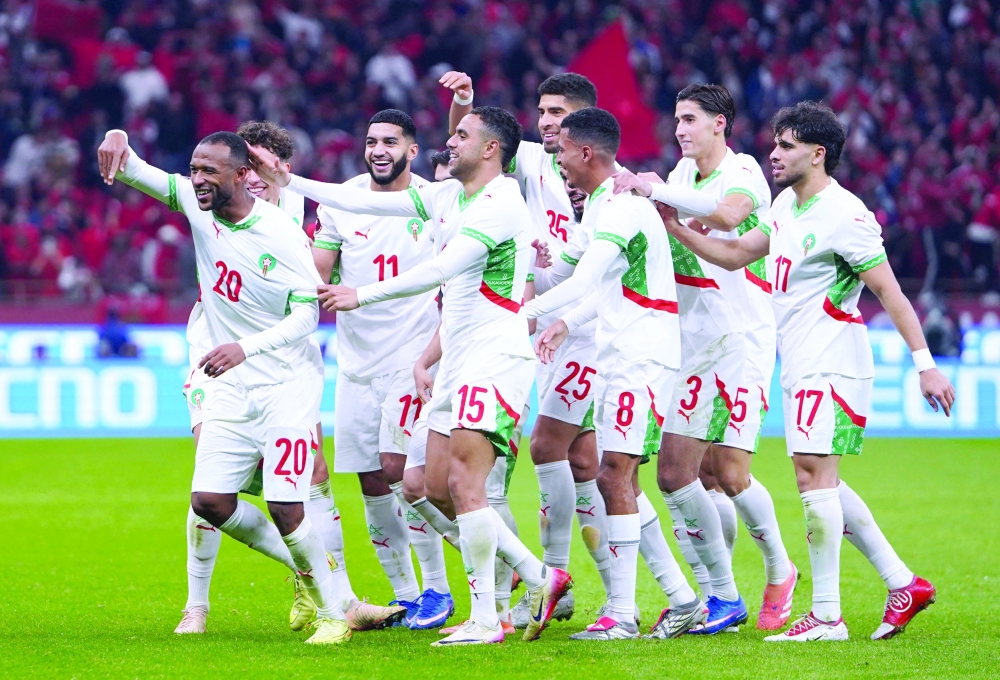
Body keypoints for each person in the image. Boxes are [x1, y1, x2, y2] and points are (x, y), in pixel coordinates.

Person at [249, 105, 572, 647]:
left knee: (465, 486)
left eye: (463, 135)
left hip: (494, 358)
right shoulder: (449, 194)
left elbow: (442, 269)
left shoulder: (501, 203)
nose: (453, 141)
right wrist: (290, 180)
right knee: (425, 484)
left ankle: (487, 618)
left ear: (490, 149)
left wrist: (362, 293)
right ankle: (540, 577)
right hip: (456, 361)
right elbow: (361, 199)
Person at [659, 100, 952, 642]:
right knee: (825, 483)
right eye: (774, 143)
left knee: (810, 479)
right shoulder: (785, 210)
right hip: (797, 363)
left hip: (834, 361)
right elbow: (733, 254)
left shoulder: (846, 215)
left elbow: (890, 292)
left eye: (786, 146)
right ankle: (902, 582)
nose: (773, 154)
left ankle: (827, 614)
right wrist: (675, 227)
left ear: (817, 155)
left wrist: (925, 365)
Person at [98, 129, 351, 645]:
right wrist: (118, 138)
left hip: (286, 382)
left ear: (242, 176)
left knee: (286, 504)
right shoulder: (196, 204)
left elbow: (307, 318)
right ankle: (309, 575)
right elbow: (135, 170)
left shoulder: (281, 233)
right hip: (230, 384)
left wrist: (246, 347)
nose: (198, 180)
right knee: (209, 500)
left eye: (210, 171)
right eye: (194, 169)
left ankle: (334, 614)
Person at [176, 120, 404, 636]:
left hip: (284, 370)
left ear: (278, 174)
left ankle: (335, 596)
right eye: (248, 171)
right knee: (211, 479)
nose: (255, 182)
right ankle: (198, 604)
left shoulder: (288, 217)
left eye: (263, 173)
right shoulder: (215, 205)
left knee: (312, 478)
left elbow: (310, 291)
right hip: (215, 358)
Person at [612, 83, 796, 632]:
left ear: (720, 123)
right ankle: (721, 594)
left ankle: (775, 571)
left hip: (738, 339)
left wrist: (657, 194)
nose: (679, 129)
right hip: (691, 341)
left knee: (724, 471)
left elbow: (727, 216)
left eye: (690, 119)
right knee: (699, 473)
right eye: (676, 119)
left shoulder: (741, 171)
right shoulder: (680, 177)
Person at [442, 69, 610, 626]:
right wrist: (462, 105)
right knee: (580, 460)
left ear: (582, 118)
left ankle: (552, 577)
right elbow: (466, 161)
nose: (545, 123)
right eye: (541, 113)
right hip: (535, 324)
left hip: (581, 325)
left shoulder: (608, 179)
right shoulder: (535, 161)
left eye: (557, 113)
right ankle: (561, 585)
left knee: (552, 450)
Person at [529, 107, 700, 641]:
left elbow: (583, 282)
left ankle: (621, 614)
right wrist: (554, 306)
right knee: (618, 477)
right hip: (618, 353)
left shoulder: (623, 209)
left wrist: (515, 314)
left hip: (641, 356)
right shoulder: (601, 206)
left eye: (563, 152)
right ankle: (682, 598)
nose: (558, 161)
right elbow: (576, 274)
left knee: (612, 475)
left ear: (586, 153)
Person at [310, 109, 455, 629]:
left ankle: (439, 589)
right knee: (371, 479)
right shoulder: (341, 203)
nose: (378, 150)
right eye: (371, 141)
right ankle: (406, 594)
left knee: (399, 470)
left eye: (390, 142)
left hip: (410, 358)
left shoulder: (435, 201)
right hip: (355, 364)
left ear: (412, 151)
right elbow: (316, 273)